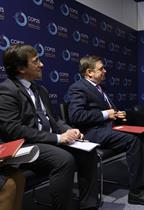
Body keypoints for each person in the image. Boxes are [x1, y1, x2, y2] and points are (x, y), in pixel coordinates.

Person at [0, 44, 99, 210]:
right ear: (20, 68)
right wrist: (59, 138)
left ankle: (88, 206)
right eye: (35, 61)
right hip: (24, 146)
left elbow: (52, 119)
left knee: (87, 152)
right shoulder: (7, 90)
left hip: (47, 141)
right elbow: (14, 130)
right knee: (63, 160)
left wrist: (68, 130)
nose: (42, 64)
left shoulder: (40, 89)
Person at [67, 55, 144, 206]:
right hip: (92, 132)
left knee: (143, 135)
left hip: (108, 128)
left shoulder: (100, 88)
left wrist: (117, 114)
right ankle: (137, 192)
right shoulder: (78, 87)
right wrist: (106, 114)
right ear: (89, 72)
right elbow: (76, 116)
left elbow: (108, 110)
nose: (105, 71)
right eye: (101, 69)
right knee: (132, 141)